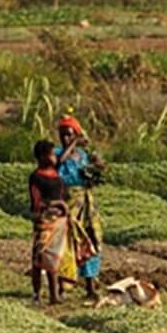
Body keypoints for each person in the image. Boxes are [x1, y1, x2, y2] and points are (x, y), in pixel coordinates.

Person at [56, 115, 106, 300]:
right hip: (67, 203)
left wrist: (96, 168)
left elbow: (92, 172)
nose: (65, 139)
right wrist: (73, 144)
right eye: (63, 135)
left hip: (84, 203)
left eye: (69, 135)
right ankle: (61, 287)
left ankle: (90, 286)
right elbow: (59, 162)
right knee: (66, 243)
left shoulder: (83, 156)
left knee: (90, 241)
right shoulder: (57, 153)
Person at [29, 140, 70, 305]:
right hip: (45, 221)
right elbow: (36, 203)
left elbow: (63, 158)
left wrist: (74, 142)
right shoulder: (36, 177)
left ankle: (56, 294)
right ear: (42, 157)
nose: (55, 156)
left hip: (59, 221)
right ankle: (37, 294)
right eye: (52, 154)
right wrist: (57, 204)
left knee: (55, 258)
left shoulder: (55, 173)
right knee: (40, 259)